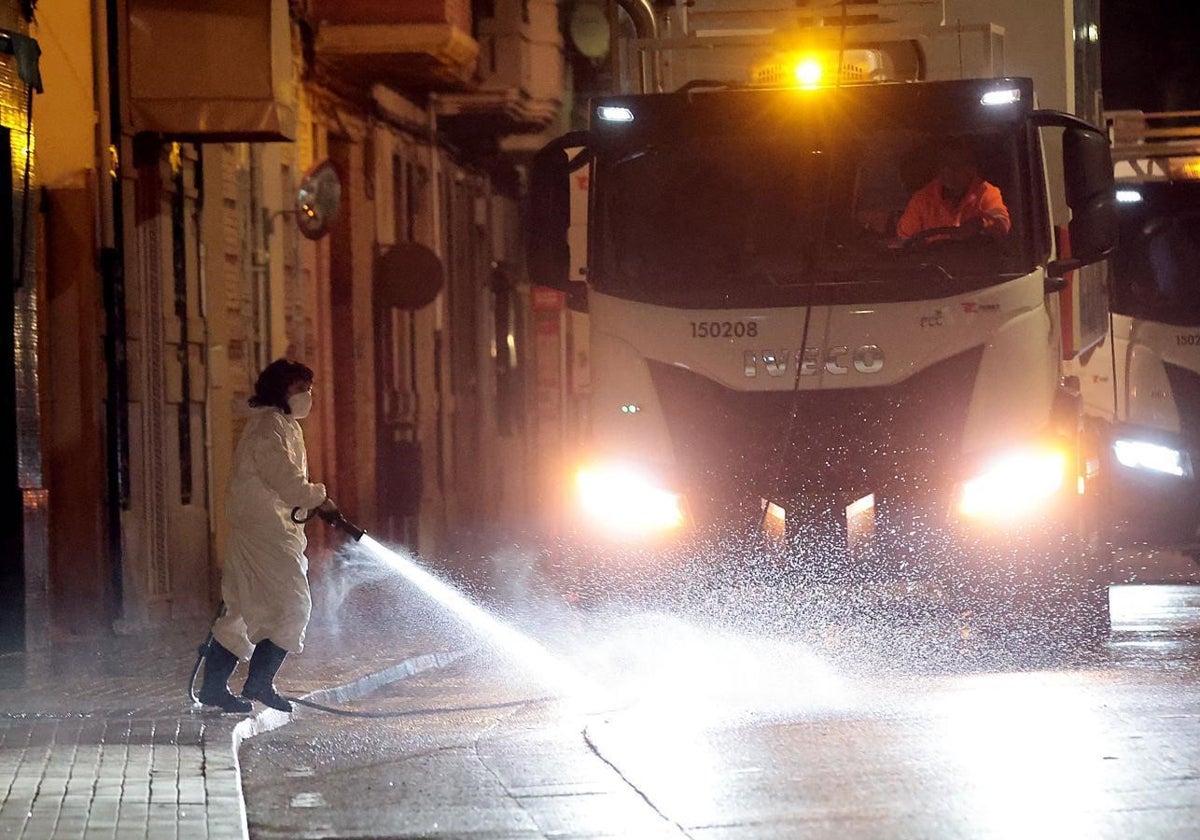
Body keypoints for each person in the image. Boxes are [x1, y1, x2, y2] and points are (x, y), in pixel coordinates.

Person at [197, 358, 338, 713]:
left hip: (266, 529)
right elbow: (285, 478)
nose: (307, 396)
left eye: (309, 389)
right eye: (299, 389)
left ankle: (214, 687)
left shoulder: (281, 425)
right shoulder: (268, 430)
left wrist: (312, 501)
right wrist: (318, 498)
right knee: (294, 605)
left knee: (242, 610)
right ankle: (259, 682)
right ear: (280, 391)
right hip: (265, 534)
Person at [895, 140, 1011, 241]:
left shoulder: (985, 192)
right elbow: (905, 238)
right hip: (932, 263)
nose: (949, 171)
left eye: (956, 165)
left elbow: (1002, 222)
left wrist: (981, 223)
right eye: (944, 165)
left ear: (971, 168)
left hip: (975, 261)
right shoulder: (922, 199)